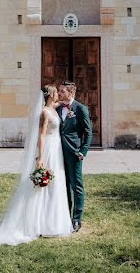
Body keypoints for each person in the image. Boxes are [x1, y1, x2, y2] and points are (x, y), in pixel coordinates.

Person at [0, 85, 73, 261]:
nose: (58, 94)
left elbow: (64, 103)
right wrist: (40, 158)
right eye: (56, 92)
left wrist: (68, 99)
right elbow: (41, 135)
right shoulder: (44, 113)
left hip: (57, 150)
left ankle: (52, 222)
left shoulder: (53, 109)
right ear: (50, 95)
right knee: (43, 186)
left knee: (56, 184)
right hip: (48, 149)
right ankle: (39, 223)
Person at [56, 81, 92, 232]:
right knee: (63, 185)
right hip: (58, 153)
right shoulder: (57, 108)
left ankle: (76, 219)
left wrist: (82, 151)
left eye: (62, 92)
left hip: (74, 153)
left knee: (76, 186)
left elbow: (88, 132)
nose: (59, 94)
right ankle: (65, 216)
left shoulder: (80, 108)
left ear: (71, 93)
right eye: (59, 91)